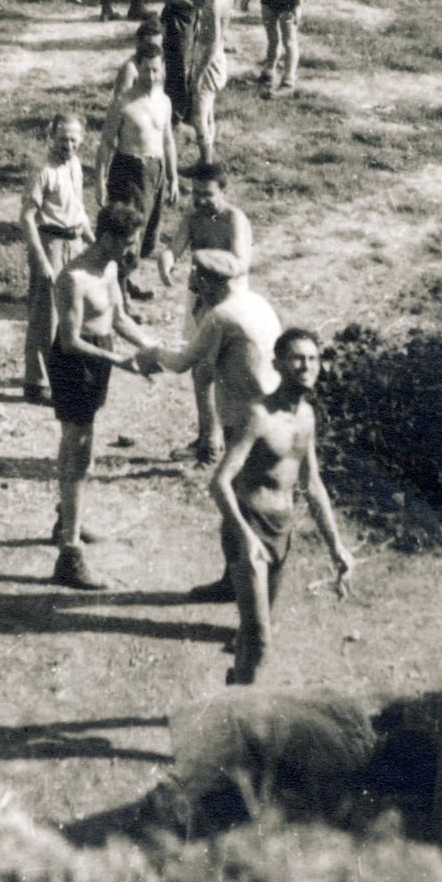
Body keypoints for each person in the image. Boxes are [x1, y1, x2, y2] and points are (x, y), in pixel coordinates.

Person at [210, 328, 354, 685]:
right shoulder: (258, 415)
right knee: (261, 638)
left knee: (253, 632)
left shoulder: (306, 417)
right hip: (250, 529)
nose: (307, 366)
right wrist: (245, 537)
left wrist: (336, 545)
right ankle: (241, 713)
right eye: (297, 358)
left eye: (313, 359)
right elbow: (219, 482)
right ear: (277, 363)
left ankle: (235, 693)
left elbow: (312, 483)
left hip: (281, 532)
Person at [139, 250, 282, 598]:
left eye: (196, 281)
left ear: (205, 282)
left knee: (251, 516)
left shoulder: (221, 316)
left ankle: (256, 616)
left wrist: (151, 353)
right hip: (273, 415)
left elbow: (181, 363)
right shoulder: (256, 303)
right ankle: (231, 583)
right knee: (242, 509)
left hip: (248, 425)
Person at [49, 203, 159, 589]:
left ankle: (66, 520)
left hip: (98, 359)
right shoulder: (73, 278)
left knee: (79, 445)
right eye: (127, 242)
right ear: (108, 237)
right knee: (79, 451)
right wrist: (121, 360)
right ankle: (69, 555)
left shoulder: (111, 268)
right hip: (74, 363)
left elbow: (117, 318)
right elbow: (69, 340)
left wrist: (151, 347)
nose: (132, 250)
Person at [159, 164, 253, 464]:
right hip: (200, 298)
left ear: (224, 190)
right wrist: (166, 260)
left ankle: (222, 443)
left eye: (208, 194)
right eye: (195, 194)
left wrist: (206, 264)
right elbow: (173, 247)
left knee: (222, 371)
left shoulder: (234, 219)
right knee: (201, 370)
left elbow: (240, 263)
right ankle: (207, 439)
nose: (201, 200)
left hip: (227, 302)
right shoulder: (192, 218)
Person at [20, 113, 94, 406]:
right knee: (45, 315)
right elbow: (26, 217)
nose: (69, 145)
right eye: (63, 138)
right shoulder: (43, 170)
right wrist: (42, 259)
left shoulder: (75, 165)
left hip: (74, 243)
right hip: (50, 243)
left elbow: (79, 209)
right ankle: (36, 381)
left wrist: (92, 240)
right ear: (52, 136)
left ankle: (62, 377)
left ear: (82, 140)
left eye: (74, 139)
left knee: (71, 312)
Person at [95, 45, 179, 297]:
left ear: (162, 68)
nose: (151, 77)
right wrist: (99, 180)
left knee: (148, 236)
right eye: (145, 70)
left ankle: (123, 283)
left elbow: (168, 141)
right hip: (130, 169)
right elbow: (106, 142)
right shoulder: (123, 102)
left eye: (155, 70)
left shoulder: (164, 100)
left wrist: (173, 178)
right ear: (137, 68)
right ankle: (119, 296)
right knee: (128, 233)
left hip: (157, 171)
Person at [151, 0, 202, 126]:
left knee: (193, 63)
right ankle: (176, 116)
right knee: (178, 66)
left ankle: (189, 110)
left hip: (194, 12)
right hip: (177, 16)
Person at [188, 0, 234, 164]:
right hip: (218, 57)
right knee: (208, 113)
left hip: (209, 57)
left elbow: (214, 40)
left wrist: (199, 72)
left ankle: (206, 161)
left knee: (198, 116)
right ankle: (206, 158)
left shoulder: (214, 2)